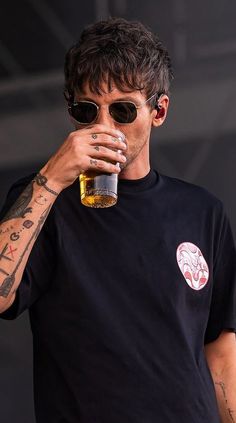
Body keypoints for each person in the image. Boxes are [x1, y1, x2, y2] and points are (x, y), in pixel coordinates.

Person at [0, 17, 236, 423]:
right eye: (86, 109)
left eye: (123, 109)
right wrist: (53, 177)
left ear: (158, 111)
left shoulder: (201, 211)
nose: (103, 127)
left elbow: (220, 349)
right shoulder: (43, 199)